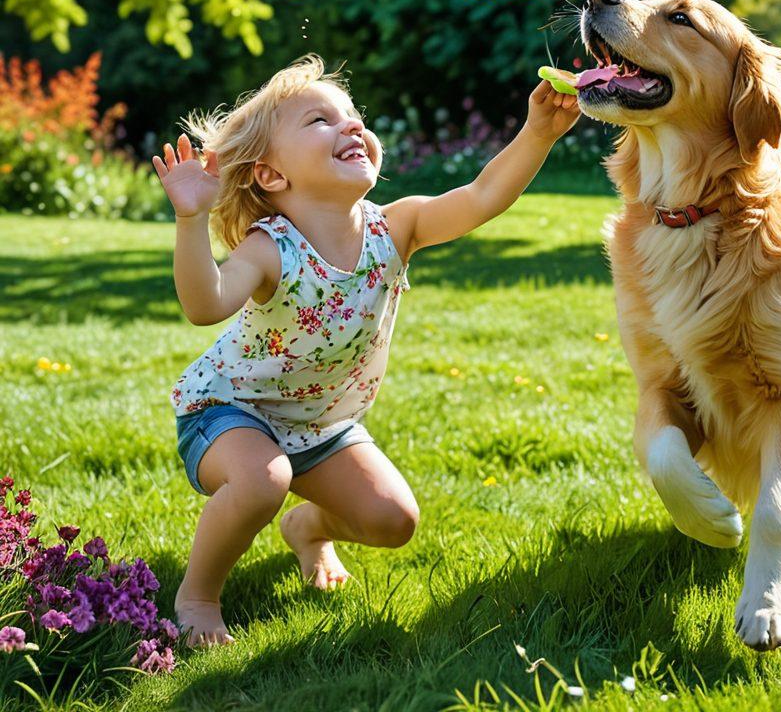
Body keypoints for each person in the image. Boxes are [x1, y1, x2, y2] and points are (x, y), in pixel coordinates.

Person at [152, 55, 580, 646]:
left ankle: (308, 528)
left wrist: (539, 133)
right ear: (272, 176)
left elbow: (482, 197)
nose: (351, 125)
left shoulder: (396, 227)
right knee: (261, 482)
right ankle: (197, 596)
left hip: (322, 423)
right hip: (231, 412)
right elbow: (206, 305)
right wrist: (189, 220)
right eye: (320, 121)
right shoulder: (270, 249)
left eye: (353, 116)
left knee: (392, 520)